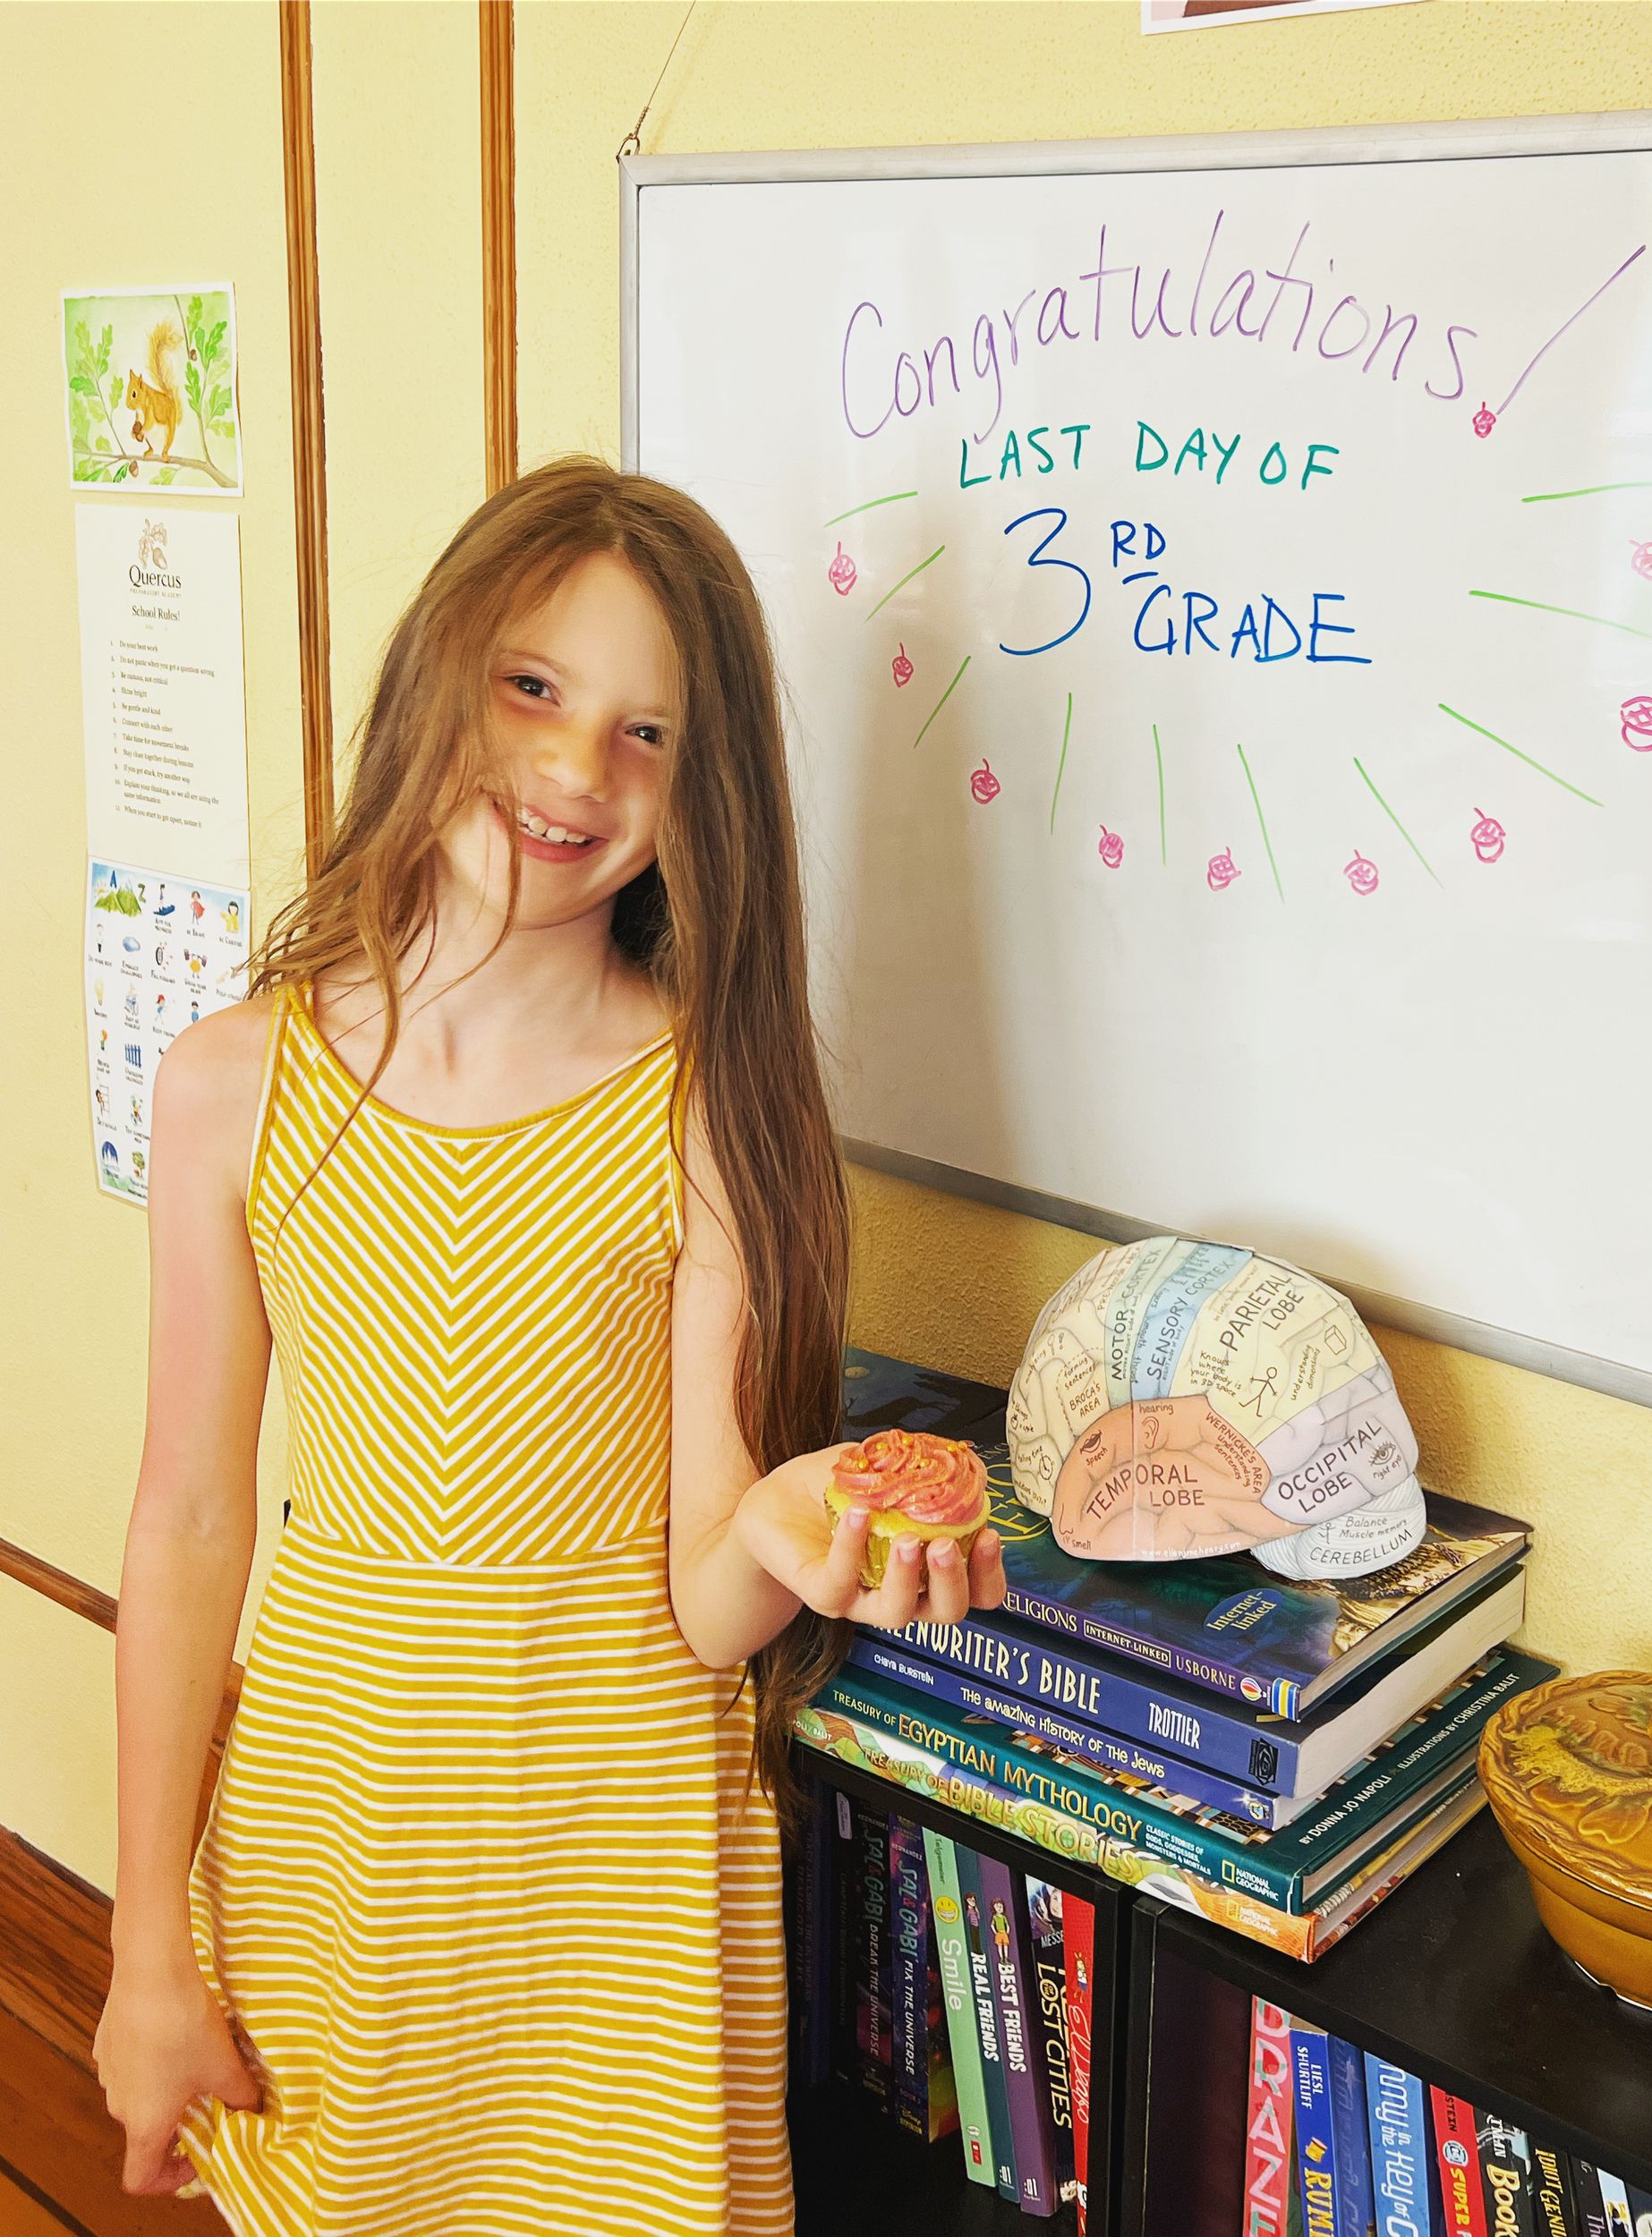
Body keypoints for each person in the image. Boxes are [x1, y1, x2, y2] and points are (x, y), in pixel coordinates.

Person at [92, 456, 1008, 2236]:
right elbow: (189, 1524)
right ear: (437, 672)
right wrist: (142, 1941)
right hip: (329, 1861)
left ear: (703, 789)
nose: (579, 765)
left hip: (620, 1897)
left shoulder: (711, 1111)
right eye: (534, 687)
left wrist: (787, 1525)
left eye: (647, 732)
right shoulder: (229, 1085)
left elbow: (697, 1594)